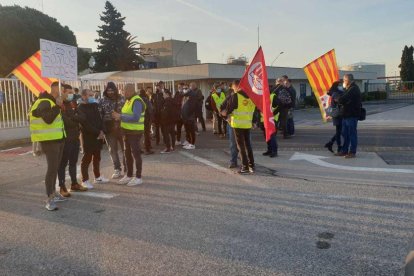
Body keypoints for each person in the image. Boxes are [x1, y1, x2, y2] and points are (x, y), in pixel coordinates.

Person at [29, 81, 66, 211]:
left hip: (58, 139)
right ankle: (49, 199)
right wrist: (57, 106)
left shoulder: (52, 101)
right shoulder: (44, 101)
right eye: (62, 88)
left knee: (55, 168)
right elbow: (48, 119)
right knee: (51, 169)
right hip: (49, 141)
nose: (64, 91)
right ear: (55, 88)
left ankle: (54, 192)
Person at [57, 84, 87, 197]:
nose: (71, 95)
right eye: (68, 92)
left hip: (75, 137)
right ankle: (62, 186)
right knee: (62, 164)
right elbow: (66, 122)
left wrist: (73, 118)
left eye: (71, 92)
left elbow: (82, 117)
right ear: (62, 92)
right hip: (65, 139)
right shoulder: (59, 105)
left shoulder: (72, 103)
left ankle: (74, 183)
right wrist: (75, 119)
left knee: (73, 162)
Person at [112, 84, 145, 186]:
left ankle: (138, 177)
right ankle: (129, 175)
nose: (123, 93)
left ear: (130, 90)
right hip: (127, 132)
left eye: (124, 91)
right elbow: (127, 114)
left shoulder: (137, 100)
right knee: (127, 154)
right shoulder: (128, 100)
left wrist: (120, 116)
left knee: (136, 154)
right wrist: (118, 116)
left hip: (135, 132)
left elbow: (135, 117)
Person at [78, 89, 108, 189]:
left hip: (98, 136)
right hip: (88, 137)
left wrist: (102, 130)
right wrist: (98, 132)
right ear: (83, 96)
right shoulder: (80, 108)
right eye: (90, 95)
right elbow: (85, 124)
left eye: (92, 95)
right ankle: (85, 180)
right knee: (86, 159)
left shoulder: (95, 105)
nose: (92, 97)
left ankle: (97, 176)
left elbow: (100, 119)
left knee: (97, 157)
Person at [224, 80, 256, 174]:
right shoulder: (251, 97)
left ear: (236, 86)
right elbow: (254, 111)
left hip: (238, 124)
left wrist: (225, 115)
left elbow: (229, 109)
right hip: (247, 124)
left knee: (240, 146)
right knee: (248, 145)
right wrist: (254, 121)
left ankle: (245, 167)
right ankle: (251, 165)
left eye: (233, 87)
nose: (233, 88)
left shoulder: (236, 96)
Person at [99, 82, 126, 179]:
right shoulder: (102, 101)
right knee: (112, 150)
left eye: (112, 90)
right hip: (109, 129)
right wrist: (101, 129)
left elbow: (127, 112)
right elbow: (100, 116)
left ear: (115, 90)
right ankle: (117, 169)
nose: (110, 92)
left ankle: (127, 169)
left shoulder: (122, 99)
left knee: (125, 149)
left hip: (122, 128)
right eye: (108, 90)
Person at [336, 74, 361, 158]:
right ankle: (344, 150)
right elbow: (343, 99)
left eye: (344, 80)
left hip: (352, 115)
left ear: (348, 81)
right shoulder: (348, 88)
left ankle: (352, 152)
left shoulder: (353, 89)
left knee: (352, 134)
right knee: (345, 133)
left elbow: (342, 99)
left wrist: (338, 99)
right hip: (346, 115)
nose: (343, 82)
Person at [220, 88, 239, 168]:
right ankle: (233, 161)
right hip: (233, 124)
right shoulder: (230, 97)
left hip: (245, 125)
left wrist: (254, 121)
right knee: (234, 144)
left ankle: (247, 162)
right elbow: (221, 108)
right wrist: (226, 118)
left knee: (245, 144)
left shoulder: (247, 97)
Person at [324, 81, 344, 153]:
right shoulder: (336, 94)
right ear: (337, 86)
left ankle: (331, 143)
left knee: (339, 131)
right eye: (340, 85)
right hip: (338, 115)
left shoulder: (335, 92)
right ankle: (338, 147)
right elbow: (339, 102)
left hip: (337, 114)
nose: (342, 86)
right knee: (340, 132)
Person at [160, 89, 177, 153]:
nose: (163, 96)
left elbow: (165, 113)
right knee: (172, 134)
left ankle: (168, 148)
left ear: (167, 94)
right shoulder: (173, 101)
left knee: (166, 134)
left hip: (167, 121)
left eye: (164, 94)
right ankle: (173, 146)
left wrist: (162, 119)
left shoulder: (167, 102)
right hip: (173, 121)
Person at [181, 83, 198, 150]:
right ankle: (189, 142)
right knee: (188, 130)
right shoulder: (187, 96)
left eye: (186, 88)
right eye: (183, 88)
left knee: (191, 131)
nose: (184, 90)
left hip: (190, 116)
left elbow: (192, 107)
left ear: (189, 88)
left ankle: (192, 144)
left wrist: (190, 115)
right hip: (186, 116)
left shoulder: (192, 94)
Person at [140, 88, 154, 155]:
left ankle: (139, 149)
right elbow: (150, 109)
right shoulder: (146, 99)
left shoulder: (137, 99)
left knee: (138, 135)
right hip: (146, 119)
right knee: (146, 134)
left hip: (138, 120)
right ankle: (147, 149)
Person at [152, 81, 165, 146]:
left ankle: (165, 140)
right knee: (156, 128)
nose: (157, 89)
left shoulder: (162, 94)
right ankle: (157, 140)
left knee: (163, 128)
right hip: (156, 114)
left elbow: (165, 102)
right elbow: (152, 104)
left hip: (162, 114)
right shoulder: (153, 95)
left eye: (158, 88)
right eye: (156, 88)